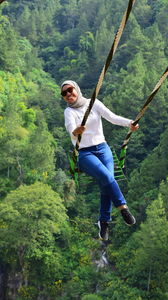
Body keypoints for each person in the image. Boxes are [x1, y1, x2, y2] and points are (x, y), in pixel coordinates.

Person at [61, 80, 139, 241]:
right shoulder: (69, 112)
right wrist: (76, 131)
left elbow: (112, 117)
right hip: (84, 153)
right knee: (107, 177)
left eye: (70, 90)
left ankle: (103, 221)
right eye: (64, 93)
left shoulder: (93, 104)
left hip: (102, 148)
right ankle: (123, 207)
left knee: (107, 182)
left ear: (77, 89)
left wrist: (129, 124)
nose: (68, 94)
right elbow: (71, 130)